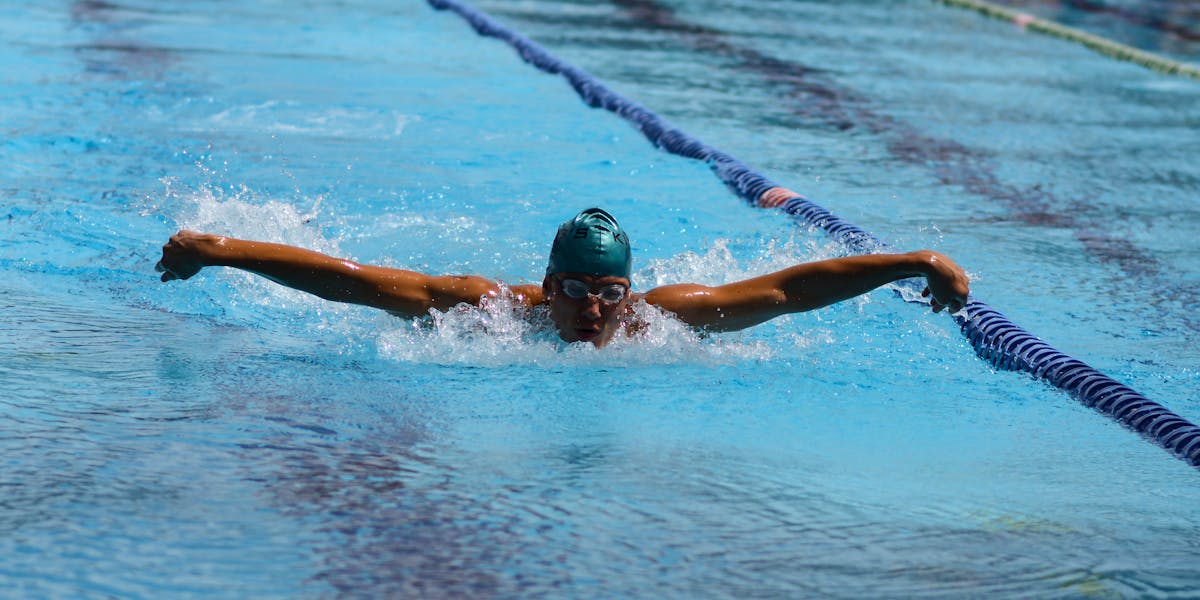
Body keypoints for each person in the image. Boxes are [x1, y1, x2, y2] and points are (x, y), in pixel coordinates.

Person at [156, 207, 969, 348]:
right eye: (575, 292)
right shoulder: (486, 314)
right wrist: (221, 249)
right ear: (548, 289)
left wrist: (913, 259)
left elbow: (791, 290)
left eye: (608, 294)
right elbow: (353, 281)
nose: (592, 310)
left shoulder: (661, 320)